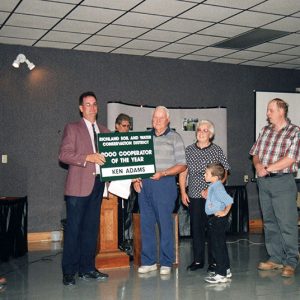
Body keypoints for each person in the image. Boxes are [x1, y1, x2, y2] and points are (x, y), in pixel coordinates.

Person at [59, 91, 110, 286]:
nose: (92, 107)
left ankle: (87, 268)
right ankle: (69, 272)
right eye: (87, 104)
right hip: (77, 188)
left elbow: (113, 161)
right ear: (81, 108)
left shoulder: (105, 131)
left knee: (91, 230)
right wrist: (87, 157)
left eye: (94, 104)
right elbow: (64, 155)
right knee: (73, 230)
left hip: (98, 185)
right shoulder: (72, 128)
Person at [249, 98, 300, 278]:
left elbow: (291, 158)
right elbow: (255, 154)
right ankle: (275, 258)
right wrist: (258, 166)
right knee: (270, 222)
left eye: (271, 110)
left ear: (281, 111)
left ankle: (291, 261)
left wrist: (267, 168)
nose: (267, 114)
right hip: (264, 183)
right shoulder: (265, 131)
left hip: (282, 182)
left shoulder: (295, 132)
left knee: (286, 223)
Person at [133, 106, 187, 275]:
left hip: (164, 184)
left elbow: (182, 165)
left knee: (165, 224)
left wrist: (163, 173)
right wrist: (135, 179)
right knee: (146, 224)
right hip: (145, 185)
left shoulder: (175, 138)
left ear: (167, 120)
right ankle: (148, 261)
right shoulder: (143, 138)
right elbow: (136, 161)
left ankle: (166, 262)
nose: (157, 121)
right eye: (154, 118)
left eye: (160, 118)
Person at [179, 120, 230, 272]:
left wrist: (213, 189)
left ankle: (214, 262)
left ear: (211, 134)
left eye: (205, 130)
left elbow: (225, 172)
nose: (201, 132)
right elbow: (183, 173)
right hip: (194, 195)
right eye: (199, 130)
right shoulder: (188, 150)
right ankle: (197, 260)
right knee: (196, 228)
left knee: (213, 230)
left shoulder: (217, 150)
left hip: (213, 197)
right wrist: (183, 191)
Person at [203, 163, 233, 284]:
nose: (204, 175)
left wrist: (225, 212)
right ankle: (226, 269)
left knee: (217, 247)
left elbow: (229, 200)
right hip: (215, 219)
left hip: (218, 220)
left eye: (206, 173)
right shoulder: (214, 185)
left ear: (214, 177)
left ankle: (221, 274)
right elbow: (216, 200)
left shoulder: (217, 187)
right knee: (220, 245)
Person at [114, 113, 137, 255]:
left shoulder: (132, 141)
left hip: (130, 183)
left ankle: (126, 241)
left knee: (129, 213)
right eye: (124, 126)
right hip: (115, 185)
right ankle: (117, 242)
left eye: (128, 126)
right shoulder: (110, 140)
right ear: (117, 126)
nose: (126, 129)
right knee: (117, 214)